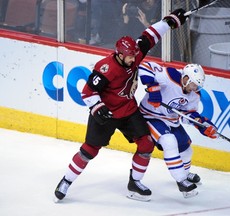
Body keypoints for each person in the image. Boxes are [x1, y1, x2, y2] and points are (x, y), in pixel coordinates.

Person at [54, 8, 189, 202]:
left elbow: (149, 36)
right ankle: (66, 180)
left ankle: (134, 183)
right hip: (107, 113)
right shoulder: (106, 68)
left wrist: (169, 22)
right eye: (129, 57)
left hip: (128, 110)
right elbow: (88, 92)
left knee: (146, 144)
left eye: (134, 56)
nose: (133, 60)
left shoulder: (134, 55)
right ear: (119, 54)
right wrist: (97, 108)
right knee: (89, 151)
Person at [138, 61, 219, 198]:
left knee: (187, 151)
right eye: (194, 84)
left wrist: (201, 124)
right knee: (169, 141)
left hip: (171, 121)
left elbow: (186, 115)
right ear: (186, 78)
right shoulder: (169, 75)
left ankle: (185, 175)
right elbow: (144, 66)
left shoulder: (195, 94)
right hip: (151, 116)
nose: (195, 88)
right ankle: (181, 181)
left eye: (198, 85)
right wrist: (152, 87)